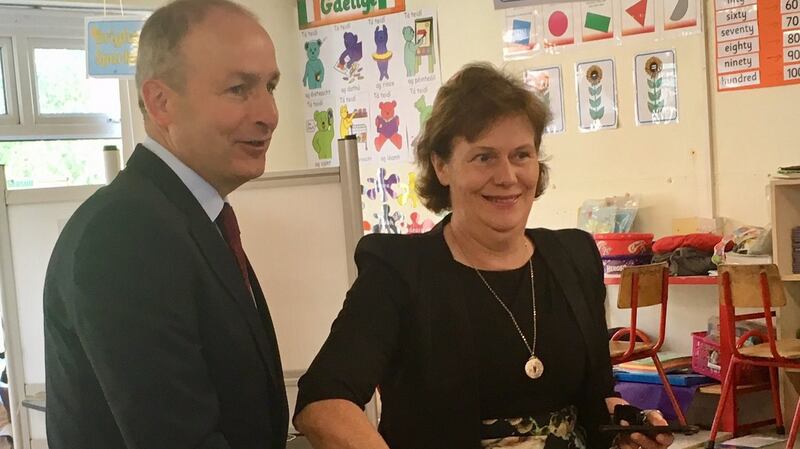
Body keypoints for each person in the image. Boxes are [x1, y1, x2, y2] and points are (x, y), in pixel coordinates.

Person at [293, 63, 675, 449]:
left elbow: (596, 396)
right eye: (484, 157)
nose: (507, 176)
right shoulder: (399, 270)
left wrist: (627, 425)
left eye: (521, 155)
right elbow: (323, 403)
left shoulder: (574, 256)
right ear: (442, 166)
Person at [43, 1, 288, 448]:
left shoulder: (191, 220)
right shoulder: (123, 236)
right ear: (161, 102)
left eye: (270, 86)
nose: (268, 114)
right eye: (239, 89)